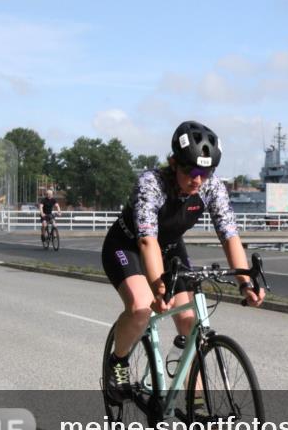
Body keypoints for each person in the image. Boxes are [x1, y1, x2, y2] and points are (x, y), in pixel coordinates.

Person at [101, 121, 264, 400]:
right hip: (128, 245)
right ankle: (118, 362)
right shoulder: (151, 184)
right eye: (191, 170)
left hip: (170, 248)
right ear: (174, 163)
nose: (197, 179)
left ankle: (195, 404)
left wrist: (245, 282)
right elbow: (147, 241)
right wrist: (158, 287)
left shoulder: (212, 188)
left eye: (206, 172)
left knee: (190, 323)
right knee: (141, 307)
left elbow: (229, 236)